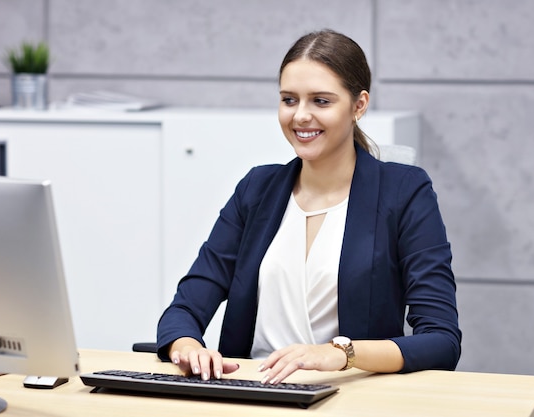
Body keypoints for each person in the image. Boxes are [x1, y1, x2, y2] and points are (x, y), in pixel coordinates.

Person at [157, 29, 461, 384]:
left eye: (321, 101)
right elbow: (185, 308)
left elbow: (441, 340)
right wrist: (188, 345)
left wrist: (340, 354)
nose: (300, 115)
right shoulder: (257, 189)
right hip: (251, 392)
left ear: (358, 105)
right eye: (289, 100)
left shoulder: (405, 191)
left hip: (347, 397)